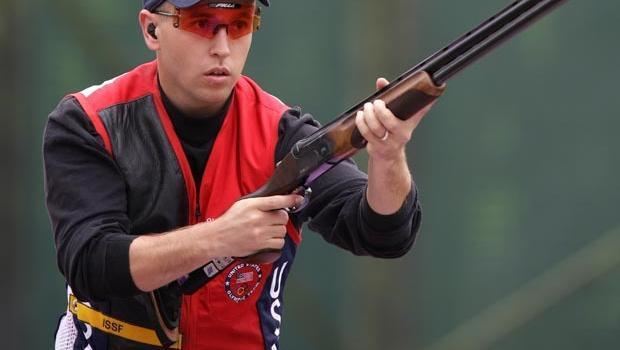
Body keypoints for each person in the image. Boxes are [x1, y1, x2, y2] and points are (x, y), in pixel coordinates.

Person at [43, 0, 433, 349]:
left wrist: (388, 155)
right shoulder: (89, 122)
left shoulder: (282, 131)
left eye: (240, 22)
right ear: (151, 29)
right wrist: (219, 236)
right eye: (201, 22)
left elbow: (385, 233)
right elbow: (91, 261)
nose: (222, 46)